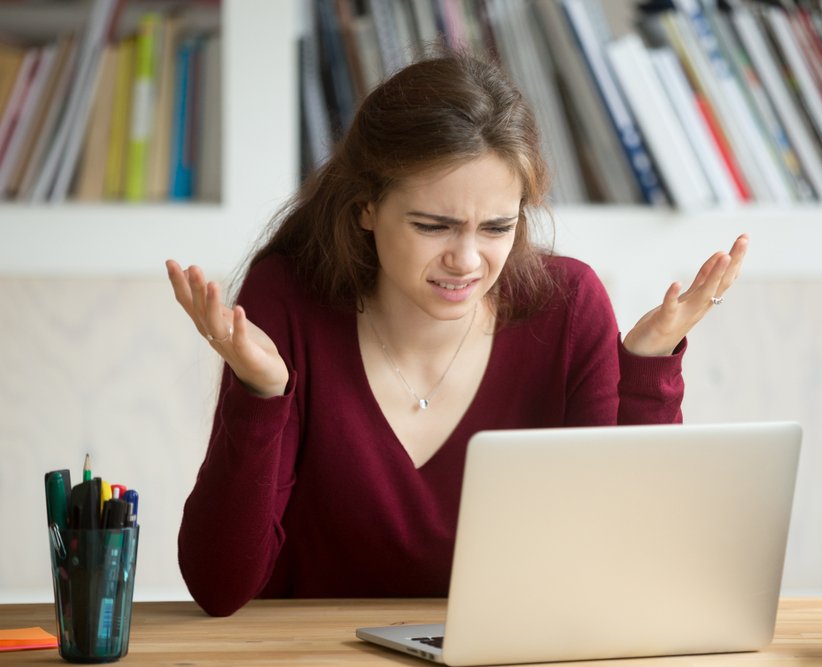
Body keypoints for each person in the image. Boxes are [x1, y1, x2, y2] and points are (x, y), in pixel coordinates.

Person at [166, 51, 748, 617]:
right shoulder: (287, 298)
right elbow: (220, 586)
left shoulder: (568, 307)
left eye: (498, 227)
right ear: (366, 206)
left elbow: (628, 570)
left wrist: (646, 370)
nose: (467, 260)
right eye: (432, 226)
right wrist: (262, 394)